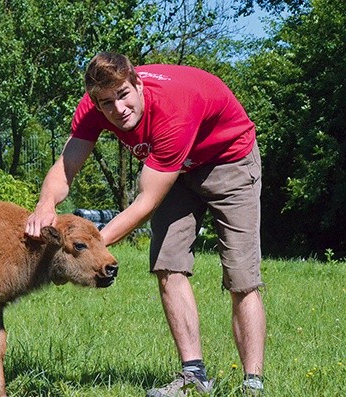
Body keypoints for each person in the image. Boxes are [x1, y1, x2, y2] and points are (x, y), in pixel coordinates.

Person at [25, 52, 266, 396]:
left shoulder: (173, 109)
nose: (118, 109)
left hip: (228, 161)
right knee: (168, 263)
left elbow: (146, 203)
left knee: (242, 276)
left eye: (123, 95)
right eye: (107, 103)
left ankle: (252, 384)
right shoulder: (94, 107)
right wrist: (45, 203)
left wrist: (86, 249)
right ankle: (194, 377)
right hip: (171, 170)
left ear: (138, 83)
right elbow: (67, 166)